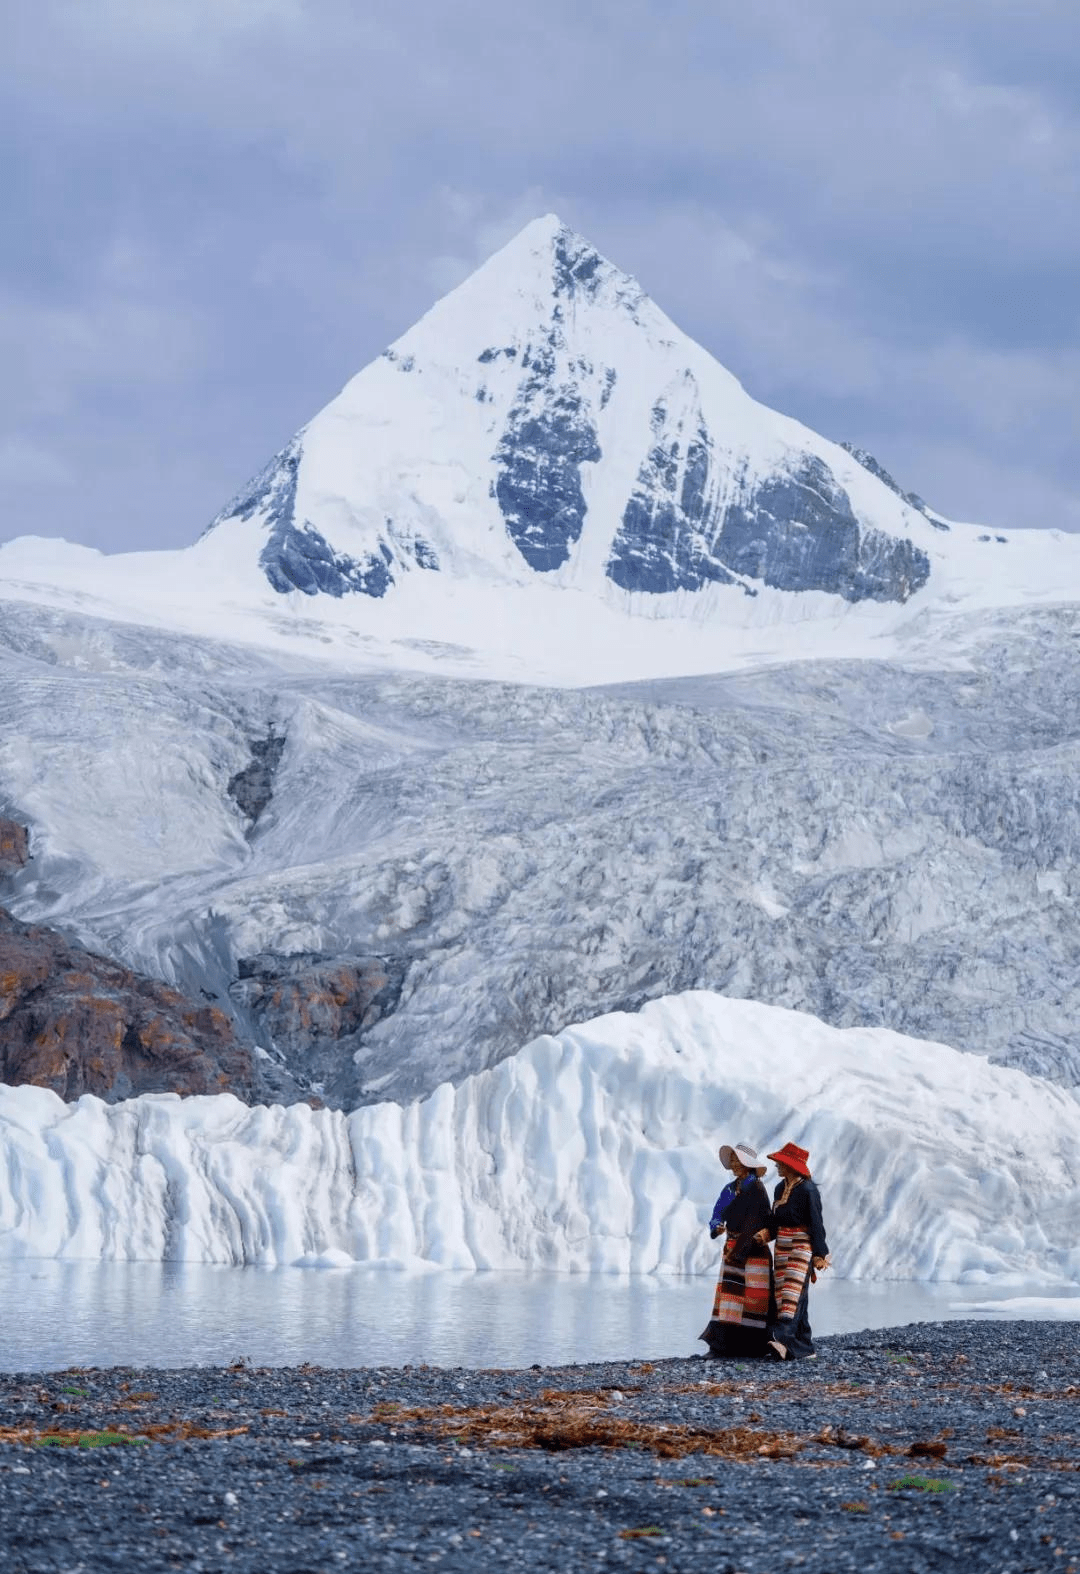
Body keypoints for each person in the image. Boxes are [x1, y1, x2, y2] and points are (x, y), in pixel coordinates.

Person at [698, 1142, 774, 1359]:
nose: (732, 1164)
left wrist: (742, 1247)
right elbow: (716, 1214)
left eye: (736, 1160)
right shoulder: (729, 1190)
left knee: (752, 1299)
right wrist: (717, 1227)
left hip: (753, 1251)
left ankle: (751, 1347)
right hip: (733, 1247)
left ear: (746, 1164)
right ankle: (723, 1347)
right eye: (731, 1160)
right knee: (729, 1299)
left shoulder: (757, 1189)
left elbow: (759, 1220)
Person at [757, 1141, 829, 1361]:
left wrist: (819, 1254)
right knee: (787, 1296)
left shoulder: (808, 1190)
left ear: (791, 1166)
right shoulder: (780, 1188)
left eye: (780, 1163)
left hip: (801, 1245)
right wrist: (766, 1234)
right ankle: (803, 1346)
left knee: (791, 1295)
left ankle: (780, 1341)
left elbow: (817, 1222)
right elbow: (774, 1220)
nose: (777, 1166)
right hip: (782, 1247)